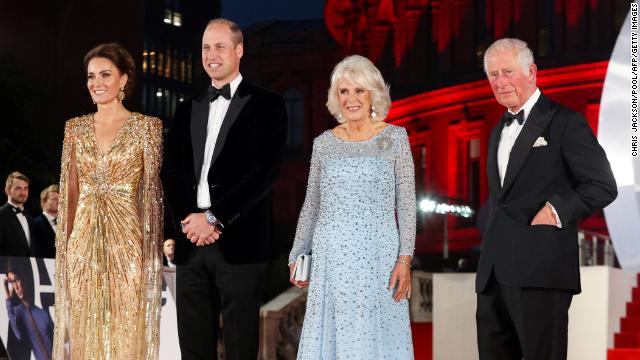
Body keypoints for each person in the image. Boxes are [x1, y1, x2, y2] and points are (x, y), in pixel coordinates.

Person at [475, 38, 618, 359]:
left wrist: (556, 210)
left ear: (532, 73)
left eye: (508, 72)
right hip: (494, 275)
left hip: (542, 269)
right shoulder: (498, 129)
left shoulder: (565, 122)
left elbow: (603, 184)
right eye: (493, 75)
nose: (500, 82)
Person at [161, 18, 287, 359]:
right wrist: (189, 219)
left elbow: (263, 174)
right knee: (193, 345)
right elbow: (170, 170)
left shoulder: (269, 104)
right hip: (191, 242)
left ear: (239, 50)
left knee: (239, 345)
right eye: (205, 47)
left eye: (219, 46)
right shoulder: (187, 108)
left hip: (241, 243)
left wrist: (214, 219)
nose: (211, 54)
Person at [288, 54, 416, 359]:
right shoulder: (323, 143)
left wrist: (405, 259)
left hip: (379, 255)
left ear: (373, 93)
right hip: (332, 257)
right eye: (344, 92)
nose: (351, 99)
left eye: (359, 90)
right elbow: (311, 205)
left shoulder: (395, 138)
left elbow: (407, 203)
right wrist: (297, 253)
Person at [52, 43, 163, 360]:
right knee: (86, 329)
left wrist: (148, 254)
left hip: (127, 244)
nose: (95, 83)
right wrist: (67, 247)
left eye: (105, 74)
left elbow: (151, 197)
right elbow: (70, 194)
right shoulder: (74, 129)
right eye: (90, 76)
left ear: (124, 79)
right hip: (82, 245)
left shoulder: (148, 128)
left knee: (125, 326)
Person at [4, 258, 54, 360]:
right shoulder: (18, 313)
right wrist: (8, 299)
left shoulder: (43, 310)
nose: (16, 287)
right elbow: (18, 334)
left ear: (24, 278)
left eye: (17, 279)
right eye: (12, 282)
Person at [0, 172, 34, 257]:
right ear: (7, 190)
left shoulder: (29, 218)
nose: (23, 192)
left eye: (25, 188)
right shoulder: (1, 214)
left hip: (30, 268)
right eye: (18, 188)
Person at [31, 185, 59, 258]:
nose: (59, 201)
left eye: (60, 198)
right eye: (54, 199)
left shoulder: (65, 225)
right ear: (44, 202)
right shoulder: (34, 224)